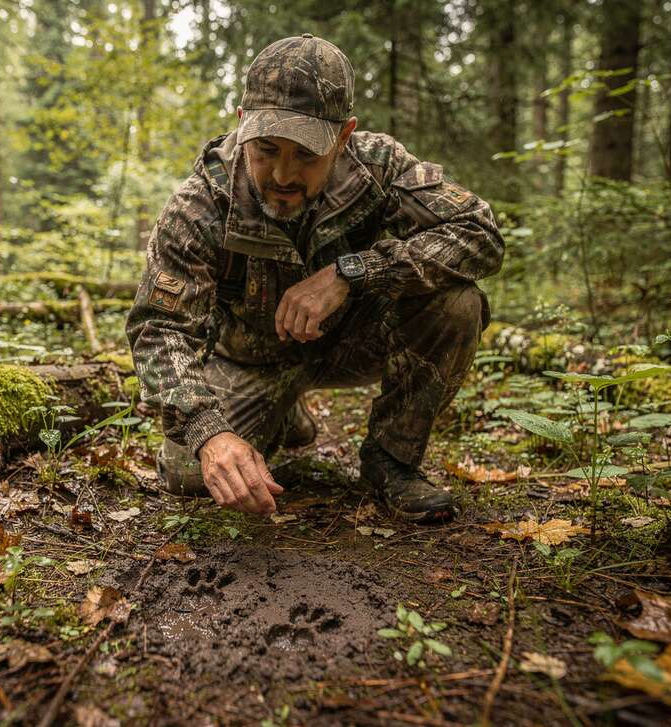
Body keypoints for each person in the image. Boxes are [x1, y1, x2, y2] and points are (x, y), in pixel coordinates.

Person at [125, 34, 504, 523]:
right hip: (252, 360)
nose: (283, 175)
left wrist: (355, 271)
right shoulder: (202, 204)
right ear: (242, 125)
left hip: (355, 339)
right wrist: (209, 433)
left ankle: (391, 460)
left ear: (344, 138)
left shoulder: (378, 167)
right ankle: (283, 413)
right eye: (266, 149)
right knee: (190, 474)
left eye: (306, 155)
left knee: (457, 302)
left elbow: (480, 233)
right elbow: (159, 328)